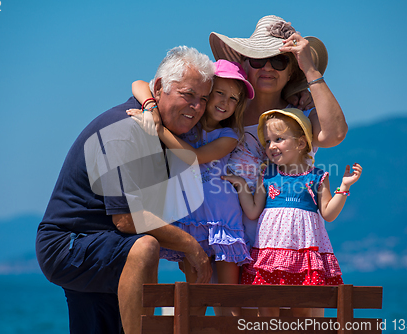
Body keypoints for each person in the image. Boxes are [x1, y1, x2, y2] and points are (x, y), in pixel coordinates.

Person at [35, 46, 215, 334]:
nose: (197, 107)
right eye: (188, 95)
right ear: (159, 88)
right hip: (71, 243)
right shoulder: (124, 129)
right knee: (146, 247)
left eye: (203, 99)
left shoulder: (161, 132)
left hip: (107, 243)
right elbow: (127, 219)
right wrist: (189, 245)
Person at [209, 15, 348, 251]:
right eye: (258, 60)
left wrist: (310, 70)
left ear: (292, 70)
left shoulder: (301, 117)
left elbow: (335, 134)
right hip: (227, 247)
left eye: (280, 61)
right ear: (243, 63)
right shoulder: (224, 115)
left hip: (288, 252)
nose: (267, 67)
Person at [127, 59, 255, 316]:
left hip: (224, 221)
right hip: (191, 221)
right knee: (194, 299)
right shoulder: (185, 127)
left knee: (229, 303)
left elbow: (193, 158)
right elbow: (138, 84)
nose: (225, 102)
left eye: (233, 98)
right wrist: (151, 107)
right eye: (219, 93)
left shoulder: (228, 137)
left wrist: (157, 127)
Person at [223, 108, 362, 317]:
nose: (271, 146)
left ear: (300, 143)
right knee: (266, 307)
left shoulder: (317, 177)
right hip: (269, 256)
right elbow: (252, 211)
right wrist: (241, 184)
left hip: (303, 257)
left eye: (278, 139)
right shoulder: (267, 174)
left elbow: (328, 214)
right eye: (268, 141)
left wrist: (344, 187)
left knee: (302, 309)